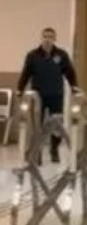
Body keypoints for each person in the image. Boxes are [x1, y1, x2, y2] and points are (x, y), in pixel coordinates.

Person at [17, 26, 79, 164]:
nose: (47, 39)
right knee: (37, 125)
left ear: (54, 39)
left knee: (56, 125)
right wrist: (20, 90)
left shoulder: (61, 55)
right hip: (38, 96)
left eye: (50, 37)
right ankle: (37, 153)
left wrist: (74, 88)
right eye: (45, 36)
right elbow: (26, 73)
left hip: (56, 94)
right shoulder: (32, 55)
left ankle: (54, 150)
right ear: (41, 38)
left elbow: (70, 73)